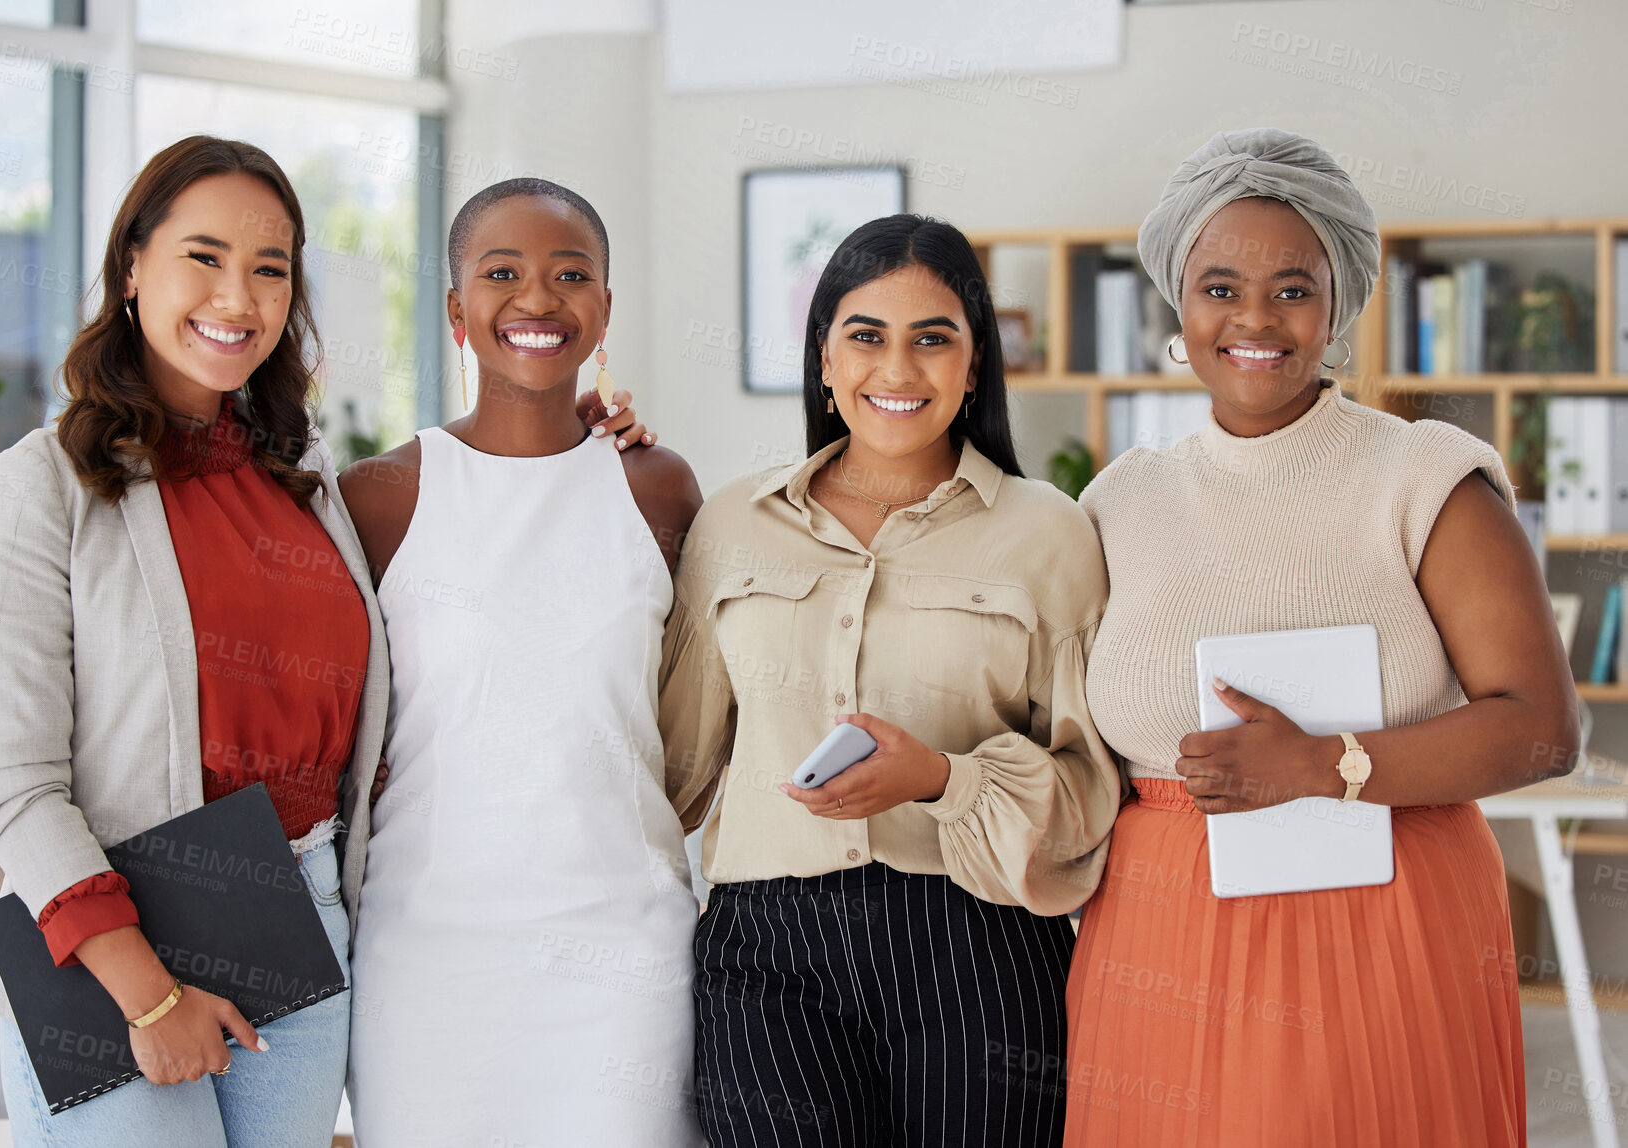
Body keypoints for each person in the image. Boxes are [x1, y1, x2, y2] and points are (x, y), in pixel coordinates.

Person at [0, 138, 648, 1148]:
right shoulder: (43, 483)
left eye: (270, 267)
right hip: (115, 941)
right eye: (204, 256)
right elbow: (11, 781)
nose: (238, 295)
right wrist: (146, 994)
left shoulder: (306, 479)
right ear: (132, 265)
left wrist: (565, 431)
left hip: (299, 918)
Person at [1063, 128, 1578, 1147]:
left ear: (1338, 301)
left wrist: (1317, 763)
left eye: (1292, 289)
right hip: (1158, 934)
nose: (1254, 318)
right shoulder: (1120, 497)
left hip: (1380, 920)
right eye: (1220, 286)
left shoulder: (1425, 477)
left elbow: (1540, 727)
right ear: (1178, 301)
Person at [659, 214, 1123, 1147]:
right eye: (865, 336)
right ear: (823, 361)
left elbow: (1088, 795)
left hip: (977, 945)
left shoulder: (1051, 534)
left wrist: (942, 780)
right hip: (764, 950)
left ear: (974, 363)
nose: (897, 370)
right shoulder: (732, 526)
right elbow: (671, 766)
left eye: (932, 339)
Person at [340, 178, 705, 1147]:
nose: (537, 300)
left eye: (569, 275)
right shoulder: (377, 496)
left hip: (623, 950)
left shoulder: (657, 485)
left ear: (604, 310)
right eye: (501, 273)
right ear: (456, 309)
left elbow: (686, 711)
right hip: (426, 954)